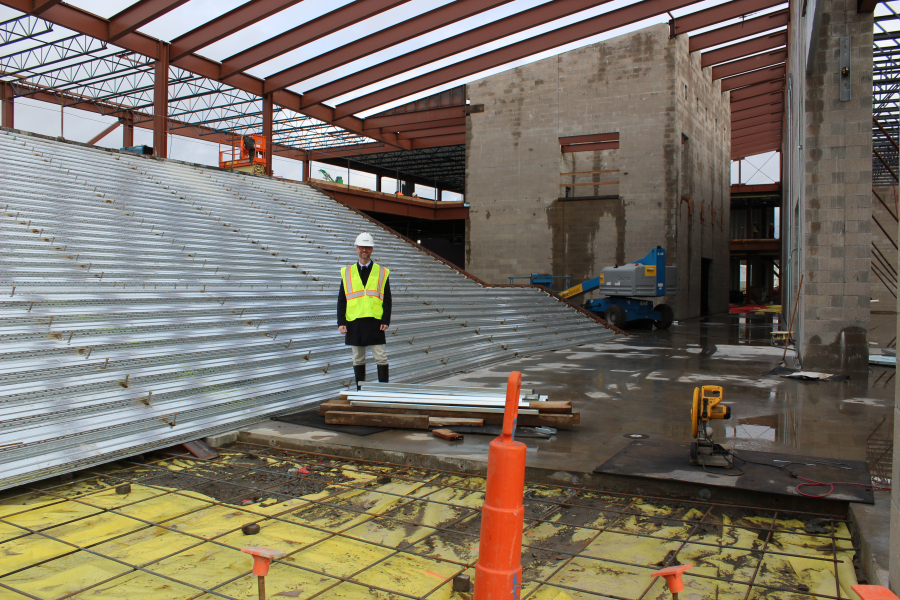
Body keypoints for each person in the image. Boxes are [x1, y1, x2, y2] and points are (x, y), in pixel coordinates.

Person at [337, 232, 391, 389]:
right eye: (361, 247)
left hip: (375, 322)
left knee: (381, 357)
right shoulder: (347, 272)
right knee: (358, 359)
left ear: (372, 249)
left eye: (367, 247)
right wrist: (341, 322)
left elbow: (387, 299)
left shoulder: (381, 272)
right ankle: (360, 391)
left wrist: (385, 320)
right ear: (356, 249)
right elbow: (342, 299)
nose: (364, 250)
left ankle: (384, 391)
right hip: (354, 322)